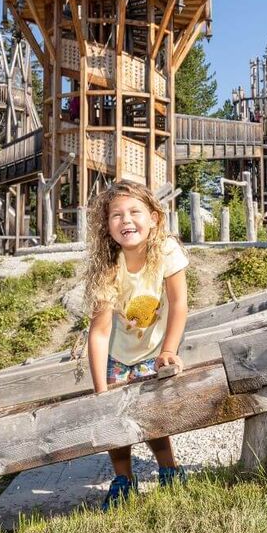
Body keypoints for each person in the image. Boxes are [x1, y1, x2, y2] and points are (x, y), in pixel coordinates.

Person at [85, 181, 189, 509]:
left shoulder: (167, 251)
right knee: (116, 419)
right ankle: (123, 478)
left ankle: (170, 470)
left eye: (134, 212)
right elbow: (99, 332)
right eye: (116, 215)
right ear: (107, 225)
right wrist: (101, 389)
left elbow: (179, 304)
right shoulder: (109, 268)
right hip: (118, 354)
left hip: (153, 350)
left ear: (154, 218)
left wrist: (169, 350)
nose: (125, 220)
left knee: (152, 417)